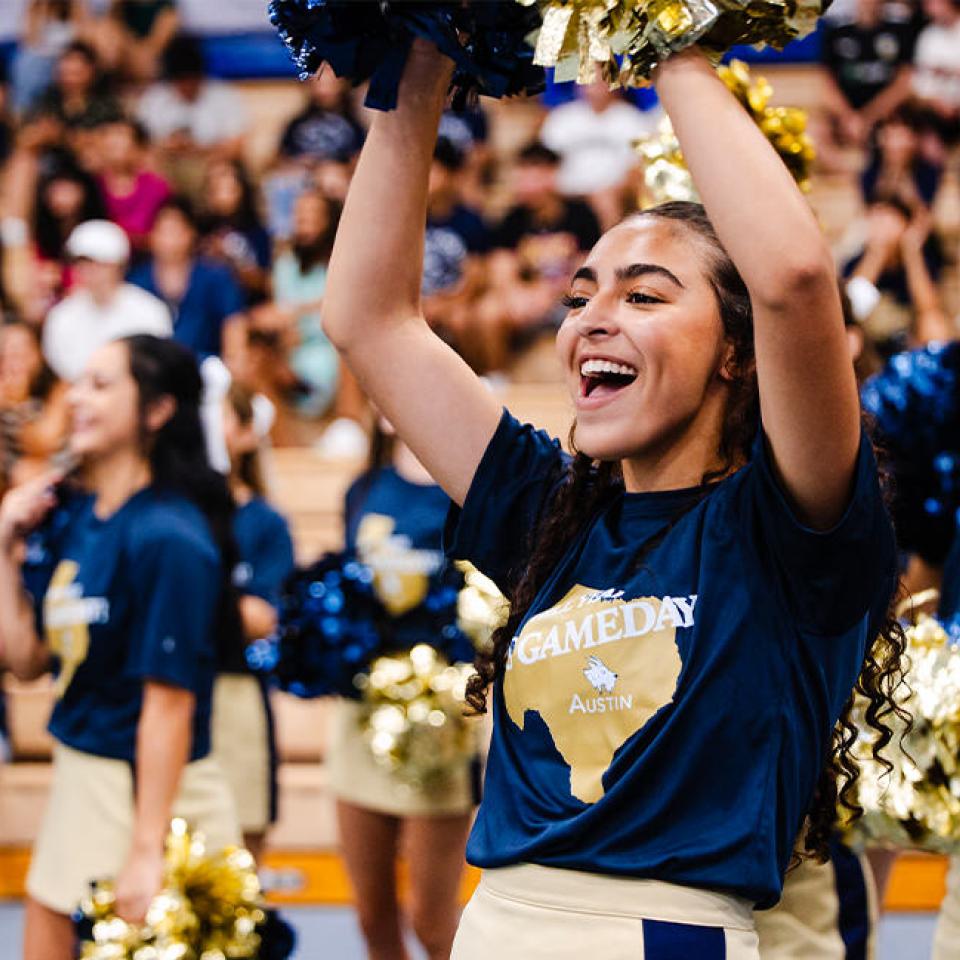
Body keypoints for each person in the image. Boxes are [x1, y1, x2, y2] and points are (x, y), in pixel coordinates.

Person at [321, 39, 905, 957]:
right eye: (583, 294)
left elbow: (792, 282)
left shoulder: (789, 525)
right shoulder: (547, 513)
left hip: (660, 933)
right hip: (495, 925)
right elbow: (369, 320)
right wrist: (423, 65)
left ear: (736, 353)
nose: (595, 316)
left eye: (646, 296)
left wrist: (661, 37)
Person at [0, 335, 240, 960]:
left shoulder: (170, 537)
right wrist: (1, 548)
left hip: (153, 796)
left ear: (157, 411)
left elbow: (169, 706)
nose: (76, 397)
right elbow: (27, 662)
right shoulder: (78, 518)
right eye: (79, 381)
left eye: (102, 385)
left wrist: (145, 851)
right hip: (79, 782)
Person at [327, 420, 476, 960]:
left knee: (434, 923)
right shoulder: (363, 488)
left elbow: (484, 605)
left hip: (437, 719)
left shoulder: (466, 487)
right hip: (361, 713)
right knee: (372, 918)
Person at [213, 382, 294, 860]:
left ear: (246, 434)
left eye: (217, 415)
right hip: (167, 690)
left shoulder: (264, 522)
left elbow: (261, 618)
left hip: (236, 693)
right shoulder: (166, 513)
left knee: (241, 859)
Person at [42, 219, 171, 381]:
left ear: (119, 265)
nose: (88, 270)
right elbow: (62, 370)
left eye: (97, 263)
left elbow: (155, 366)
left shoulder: (149, 311)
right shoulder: (60, 316)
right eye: (81, 263)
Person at [128, 198, 246, 361]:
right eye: (163, 230)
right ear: (152, 235)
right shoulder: (137, 281)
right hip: (152, 372)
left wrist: (233, 365)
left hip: (206, 368)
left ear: (191, 233)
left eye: (175, 230)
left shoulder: (215, 277)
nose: (168, 240)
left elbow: (234, 325)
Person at [540, 73, 661, 229]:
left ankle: (606, 246)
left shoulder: (631, 119)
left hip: (611, 189)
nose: (592, 88)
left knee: (606, 200)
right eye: (587, 81)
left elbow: (637, 164)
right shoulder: (562, 118)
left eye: (598, 82)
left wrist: (619, 187)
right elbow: (545, 159)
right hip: (566, 187)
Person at [0, 321, 69, 492]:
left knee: (25, 472)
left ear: (39, 354)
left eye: (22, 352)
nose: (16, 362)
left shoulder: (59, 388)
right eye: (8, 353)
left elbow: (47, 441)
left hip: (57, 470)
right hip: (10, 476)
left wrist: (17, 406)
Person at [198, 160, 272, 306]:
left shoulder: (257, 233)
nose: (224, 196)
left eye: (230, 189)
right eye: (217, 189)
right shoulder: (201, 231)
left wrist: (231, 263)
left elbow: (265, 282)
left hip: (248, 305)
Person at [95, 115, 172, 251]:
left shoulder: (157, 187)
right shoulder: (91, 186)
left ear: (138, 149)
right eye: (110, 141)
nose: (115, 144)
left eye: (121, 139)